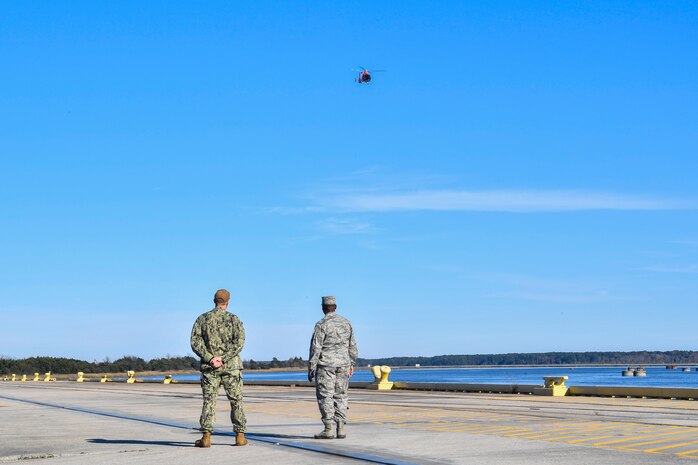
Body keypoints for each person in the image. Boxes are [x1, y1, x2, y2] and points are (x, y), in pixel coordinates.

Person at [190, 289, 248, 447]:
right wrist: (224, 358)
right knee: (236, 401)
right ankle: (240, 436)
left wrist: (210, 359)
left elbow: (195, 342)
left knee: (209, 401)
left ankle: (206, 437)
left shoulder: (203, 319)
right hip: (231, 368)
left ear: (214, 301)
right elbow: (239, 342)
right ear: (227, 302)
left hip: (210, 369)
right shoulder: (234, 319)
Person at [308, 296, 358, 439]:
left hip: (326, 365)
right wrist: (352, 363)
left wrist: (311, 367)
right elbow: (352, 345)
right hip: (343, 364)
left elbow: (316, 347)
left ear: (323, 308)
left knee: (326, 396)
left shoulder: (321, 324)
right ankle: (341, 428)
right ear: (335, 307)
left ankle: (328, 428)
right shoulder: (346, 323)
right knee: (341, 395)